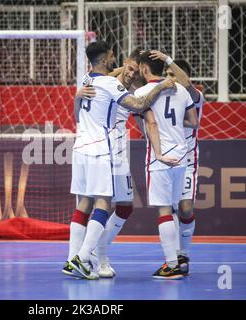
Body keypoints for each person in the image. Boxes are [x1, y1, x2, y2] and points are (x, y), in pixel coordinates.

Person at [64, 41, 176, 280]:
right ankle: (84, 257)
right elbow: (135, 102)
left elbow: (145, 119)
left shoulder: (91, 81)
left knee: (115, 206)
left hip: (102, 152)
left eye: (136, 71)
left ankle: (87, 257)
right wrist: (163, 85)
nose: (130, 72)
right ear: (122, 63)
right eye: (129, 67)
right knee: (101, 205)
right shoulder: (112, 84)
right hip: (101, 152)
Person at [134, 51, 198, 280]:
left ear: (143, 69)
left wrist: (159, 150)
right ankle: (177, 260)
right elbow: (193, 122)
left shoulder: (141, 93)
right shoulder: (181, 90)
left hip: (160, 158)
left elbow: (149, 122)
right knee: (174, 208)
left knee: (164, 211)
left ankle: (172, 265)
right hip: (182, 155)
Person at [150, 51, 204, 276]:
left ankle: (184, 253)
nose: (170, 78)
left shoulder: (194, 95)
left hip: (188, 158)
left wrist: (167, 60)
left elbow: (192, 120)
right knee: (168, 209)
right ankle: (172, 258)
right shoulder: (161, 94)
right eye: (167, 74)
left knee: (185, 207)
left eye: (174, 74)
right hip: (166, 157)